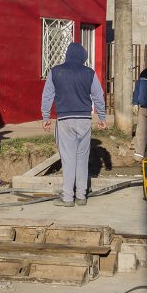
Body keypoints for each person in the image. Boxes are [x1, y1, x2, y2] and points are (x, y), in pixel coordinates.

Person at [41, 43, 107, 207]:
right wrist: (102, 117)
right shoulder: (89, 73)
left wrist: (46, 117)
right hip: (84, 120)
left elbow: (47, 95)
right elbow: (98, 96)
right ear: (83, 56)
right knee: (82, 159)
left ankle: (68, 197)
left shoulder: (56, 71)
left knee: (68, 159)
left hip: (64, 120)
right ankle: (81, 196)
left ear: (68, 54)